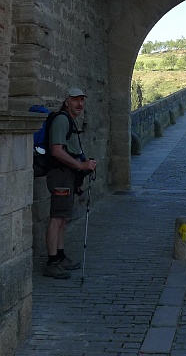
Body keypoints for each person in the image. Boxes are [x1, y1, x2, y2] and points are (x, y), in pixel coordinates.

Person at [44, 87, 97, 279]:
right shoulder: (61, 120)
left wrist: (80, 170)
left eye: (82, 99)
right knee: (57, 218)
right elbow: (56, 151)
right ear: (67, 101)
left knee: (63, 217)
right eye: (75, 99)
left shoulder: (70, 120)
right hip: (60, 174)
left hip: (67, 175)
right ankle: (52, 263)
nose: (80, 103)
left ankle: (60, 256)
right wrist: (81, 165)